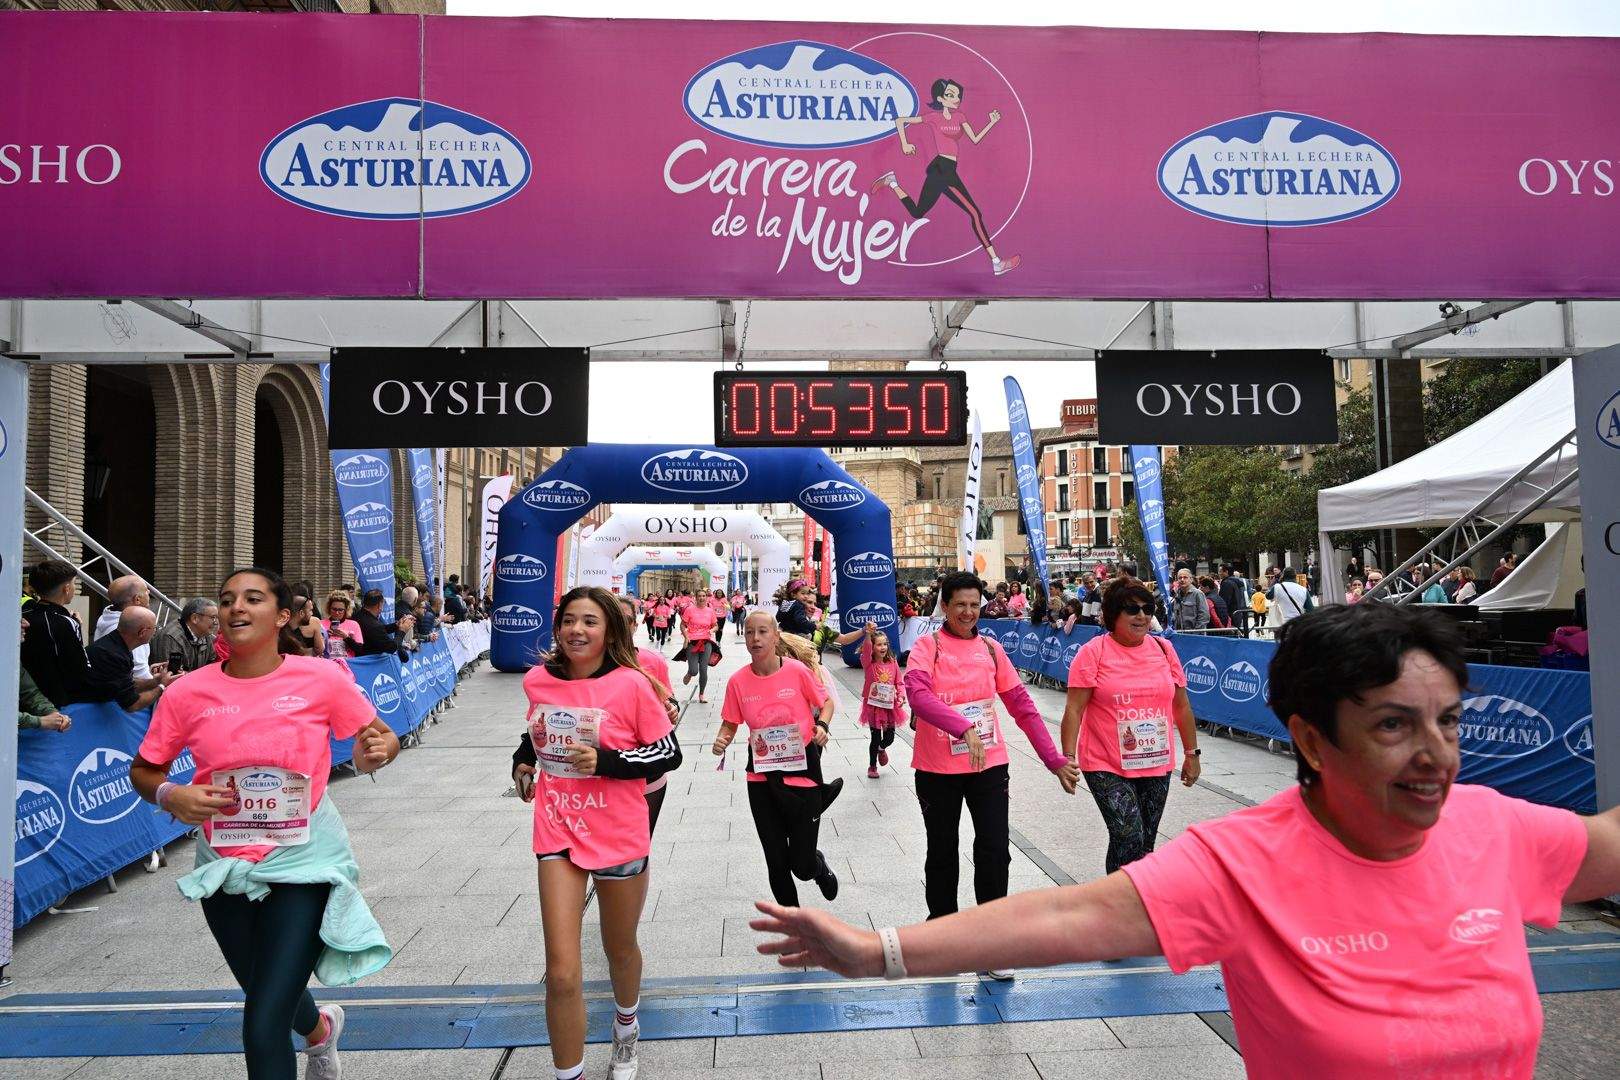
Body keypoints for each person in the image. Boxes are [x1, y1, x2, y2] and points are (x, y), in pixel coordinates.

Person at [751, 601, 1620, 1080]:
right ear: (1311, 740)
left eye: (1450, 721)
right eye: (1395, 726)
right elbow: (1064, 918)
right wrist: (876, 955)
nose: (1435, 754)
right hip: (979, 769)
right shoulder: (1243, 862)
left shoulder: (1493, 828)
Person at [129, 567, 399, 1080]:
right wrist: (171, 793)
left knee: (262, 1020)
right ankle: (320, 1030)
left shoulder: (319, 678)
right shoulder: (187, 693)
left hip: (304, 855)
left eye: (252, 598)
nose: (236, 608)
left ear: (281, 616)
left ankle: (308, 1031)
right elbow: (145, 769)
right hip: (224, 860)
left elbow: (380, 737)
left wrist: (378, 750)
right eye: (227, 599)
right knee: (266, 987)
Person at [510, 587, 682, 1080]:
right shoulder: (538, 679)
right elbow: (536, 733)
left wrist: (607, 761)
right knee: (561, 972)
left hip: (618, 832)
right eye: (568, 621)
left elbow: (668, 753)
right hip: (558, 828)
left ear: (609, 631)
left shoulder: (632, 685)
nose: (576, 631)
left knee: (618, 947)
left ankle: (626, 1028)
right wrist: (522, 763)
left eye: (589, 621)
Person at [902, 571, 1079, 973]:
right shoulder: (926, 648)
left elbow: (1022, 707)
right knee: (943, 851)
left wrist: (1053, 760)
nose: (968, 612)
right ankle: (943, 934)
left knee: (995, 850)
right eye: (959, 604)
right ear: (944, 606)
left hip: (989, 766)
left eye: (973, 604)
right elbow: (918, 695)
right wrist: (962, 726)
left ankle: (992, 941)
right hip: (937, 769)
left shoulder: (992, 649)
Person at [1061, 577, 1201, 874]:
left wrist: (1192, 754)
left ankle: (1136, 902)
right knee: (1128, 835)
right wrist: (1068, 759)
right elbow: (1074, 709)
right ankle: (1116, 905)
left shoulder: (1164, 649)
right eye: (1132, 609)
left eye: (1147, 609)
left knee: (1145, 843)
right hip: (1105, 762)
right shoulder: (1094, 652)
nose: (1142, 616)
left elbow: (1182, 705)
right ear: (1114, 614)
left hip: (1155, 760)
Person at [714, 610, 841, 907]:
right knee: (776, 860)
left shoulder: (797, 672)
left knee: (802, 865)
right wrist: (723, 737)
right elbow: (730, 722)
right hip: (761, 776)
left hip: (803, 771)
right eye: (749, 632)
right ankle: (796, 928)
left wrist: (822, 725)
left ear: (775, 636)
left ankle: (817, 866)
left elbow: (826, 703)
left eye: (762, 632)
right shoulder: (737, 681)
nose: (755, 638)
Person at [871, 77, 1020, 276]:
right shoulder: (934, 117)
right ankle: (996, 262)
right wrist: (904, 144)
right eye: (950, 95)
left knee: (917, 212)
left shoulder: (960, 117)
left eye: (957, 95)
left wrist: (991, 123)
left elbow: (975, 139)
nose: (956, 98)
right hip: (942, 169)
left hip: (947, 169)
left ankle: (893, 182)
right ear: (940, 99)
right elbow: (900, 121)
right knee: (975, 213)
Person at [616, 594, 681, 836]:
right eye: (614, 619)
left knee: (637, 852)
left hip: (647, 771)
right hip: (601, 777)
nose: (621, 626)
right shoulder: (585, 663)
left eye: (627, 620)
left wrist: (671, 708)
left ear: (635, 624)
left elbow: (668, 698)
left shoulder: (651, 661)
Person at [835, 620, 907, 779]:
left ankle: (882, 748)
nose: (883, 647)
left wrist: (901, 695)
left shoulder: (892, 662)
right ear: (873, 647)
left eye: (885, 644)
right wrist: (867, 634)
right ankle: (872, 766)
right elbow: (866, 649)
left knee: (889, 737)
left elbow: (899, 681)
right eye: (879, 644)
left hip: (890, 706)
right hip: (873, 706)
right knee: (875, 737)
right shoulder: (868, 662)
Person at [20, 559, 93, 707]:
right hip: (58, 702)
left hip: (25, 696)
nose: (73, 587)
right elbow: (80, 670)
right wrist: (76, 626)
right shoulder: (65, 622)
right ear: (66, 588)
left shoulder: (23, 616)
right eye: (73, 583)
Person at [84, 606, 174, 711]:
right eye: (155, 628)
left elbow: (126, 683)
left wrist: (157, 680)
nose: (155, 632)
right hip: (81, 711)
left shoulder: (117, 644)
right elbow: (132, 705)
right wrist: (162, 687)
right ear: (142, 632)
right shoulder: (113, 654)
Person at [93, 574, 157, 682]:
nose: (149, 593)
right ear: (137, 599)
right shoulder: (131, 628)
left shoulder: (106, 617)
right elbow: (139, 675)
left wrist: (150, 670)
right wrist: (161, 683)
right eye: (146, 590)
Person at [18, 615, 72, 732]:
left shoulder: (10, 659)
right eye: (15, 617)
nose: (26, 623)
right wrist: (40, 721)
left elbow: (30, 693)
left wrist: (53, 714)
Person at [151, 597, 220, 675]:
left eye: (217, 618)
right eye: (213, 617)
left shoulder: (204, 634)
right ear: (195, 618)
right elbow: (171, 675)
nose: (216, 622)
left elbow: (212, 666)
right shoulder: (170, 637)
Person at [677, 585, 719, 704]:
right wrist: (686, 637)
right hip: (693, 642)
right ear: (695, 598)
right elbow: (682, 625)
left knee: (703, 669)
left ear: (706, 597)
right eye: (699, 596)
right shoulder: (690, 610)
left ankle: (701, 694)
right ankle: (690, 673)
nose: (701, 598)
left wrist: (712, 630)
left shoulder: (710, 611)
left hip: (706, 642)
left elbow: (716, 625)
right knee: (695, 670)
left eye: (703, 596)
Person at [353, 588, 411, 658]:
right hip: (368, 663)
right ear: (379, 605)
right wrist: (402, 631)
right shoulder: (374, 625)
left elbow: (377, 632)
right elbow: (391, 647)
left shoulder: (356, 616)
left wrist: (396, 625)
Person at [322, 591, 364, 660]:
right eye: (334, 609)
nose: (337, 613)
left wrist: (346, 638)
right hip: (327, 664)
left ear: (346, 610)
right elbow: (315, 649)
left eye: (340, 610)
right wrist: (326, 637)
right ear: (329, 609)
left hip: (347, 664)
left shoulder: (354, 624)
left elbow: (360, 649)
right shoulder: (321, 624)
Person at [1219, 564, 1250, 636]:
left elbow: (1225, 601)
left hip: (1230, 616)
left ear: (1226, 572)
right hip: (1236, 614)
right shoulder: (1235, 582)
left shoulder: (1226, 583)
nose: (1219, 573)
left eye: (1220, 571)